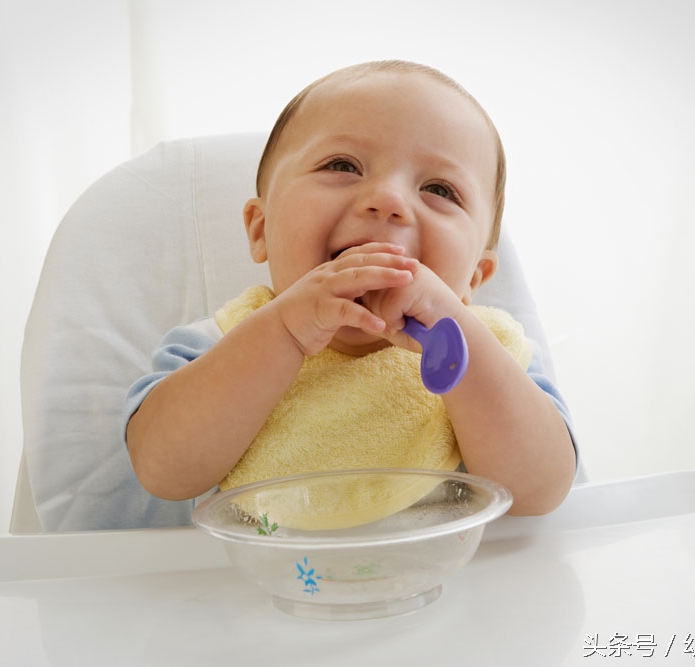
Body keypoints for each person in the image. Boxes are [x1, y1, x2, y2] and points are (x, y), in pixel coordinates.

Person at [125, 60, 577, 515]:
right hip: (266, 584)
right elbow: (163, 472)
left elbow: (538, 494)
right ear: (261, 230)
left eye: (440, 189)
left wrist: (460, 346)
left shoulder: (489, 357)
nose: (390, 200)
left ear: (473, 279)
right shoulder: (215, 345)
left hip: (454, 585)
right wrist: (284, 331)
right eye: (343, 165)